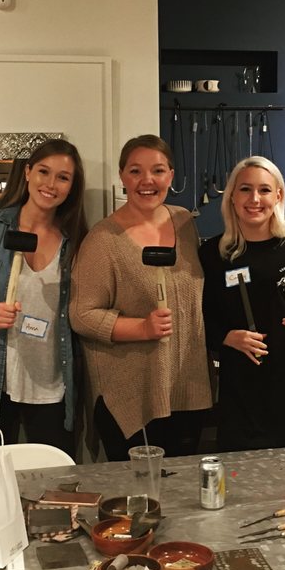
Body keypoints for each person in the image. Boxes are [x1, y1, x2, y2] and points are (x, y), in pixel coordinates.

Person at [70, 135, 211, 459]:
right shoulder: (103, 240)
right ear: (122, 176)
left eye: (158, 171)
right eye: (135, 171)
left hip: (187, 388)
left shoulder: (184, 222)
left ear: (171, 176)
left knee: (184, 487)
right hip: (133, 395)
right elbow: (81, 315)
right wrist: (141, 328)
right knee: (136, 489)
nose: (147, 180)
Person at [0, 139, 87, 456]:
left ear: (72, 186)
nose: (50, 184)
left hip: (51, 383)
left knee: (54, 476)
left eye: (63, 177)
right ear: (27, 172)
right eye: (43, 172)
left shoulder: (76, 240)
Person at [200, 156, 285, 450]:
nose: (254, 199)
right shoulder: (213, 253)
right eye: (245, 189)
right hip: (243, 395)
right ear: (232, 196)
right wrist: (226, 337)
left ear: (278, 195)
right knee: (242, 475)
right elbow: (200, 319)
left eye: (264, 190)